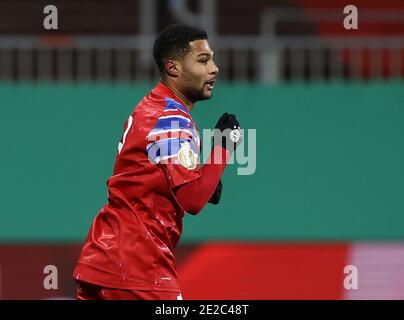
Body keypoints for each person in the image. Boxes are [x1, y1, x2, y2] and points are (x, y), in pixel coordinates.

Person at [73, 24, 241, 300]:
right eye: (202, 61)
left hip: (100, 262)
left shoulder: (152, 106)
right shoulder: (171, 119)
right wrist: (224, 147)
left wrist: (205, 178)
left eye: (211, 58)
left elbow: (149, 174)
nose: (214, 69)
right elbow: (192, 200)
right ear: (173, 68)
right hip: (139, 267)